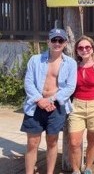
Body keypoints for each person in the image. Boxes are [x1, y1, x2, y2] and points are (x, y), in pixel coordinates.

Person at [21, 28, 77, 174]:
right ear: (48, 42)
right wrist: (40, 100)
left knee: (52, 142)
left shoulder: (71, 63)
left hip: (56, 107)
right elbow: (28, 82)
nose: (57, 43)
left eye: (60, 40)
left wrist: (51, 100)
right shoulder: (35, 59)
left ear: (65, 43)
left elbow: (70, 87)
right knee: (32, 143)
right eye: (54, 40)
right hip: (35, 105)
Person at [68, 35, 94, 174]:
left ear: (92, 49)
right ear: (77, 50)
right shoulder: (73, 66)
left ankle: (88, 168)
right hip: (77, 106)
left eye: (87, 47)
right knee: (74, 142)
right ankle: (75, 169)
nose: (84, 50)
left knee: (92, 141)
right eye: (80, 47)